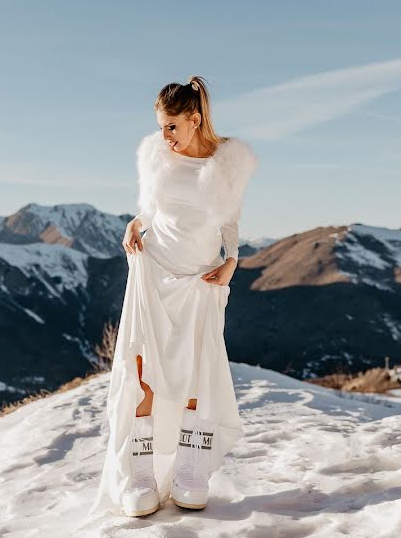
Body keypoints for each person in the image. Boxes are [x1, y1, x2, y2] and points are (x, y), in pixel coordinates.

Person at [89, 76, 259, 517]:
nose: (164, 137)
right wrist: (135, 222)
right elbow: (153, 203)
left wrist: (233, 259)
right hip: (152, 270)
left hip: (199, 280)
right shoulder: (156, 156)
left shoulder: (226, 163)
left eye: (171, 127)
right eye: (161, 127)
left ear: (195, 120)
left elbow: (229, 222)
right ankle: (139, 475)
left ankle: (190, 470)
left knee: (194, 373)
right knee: (143, 368)